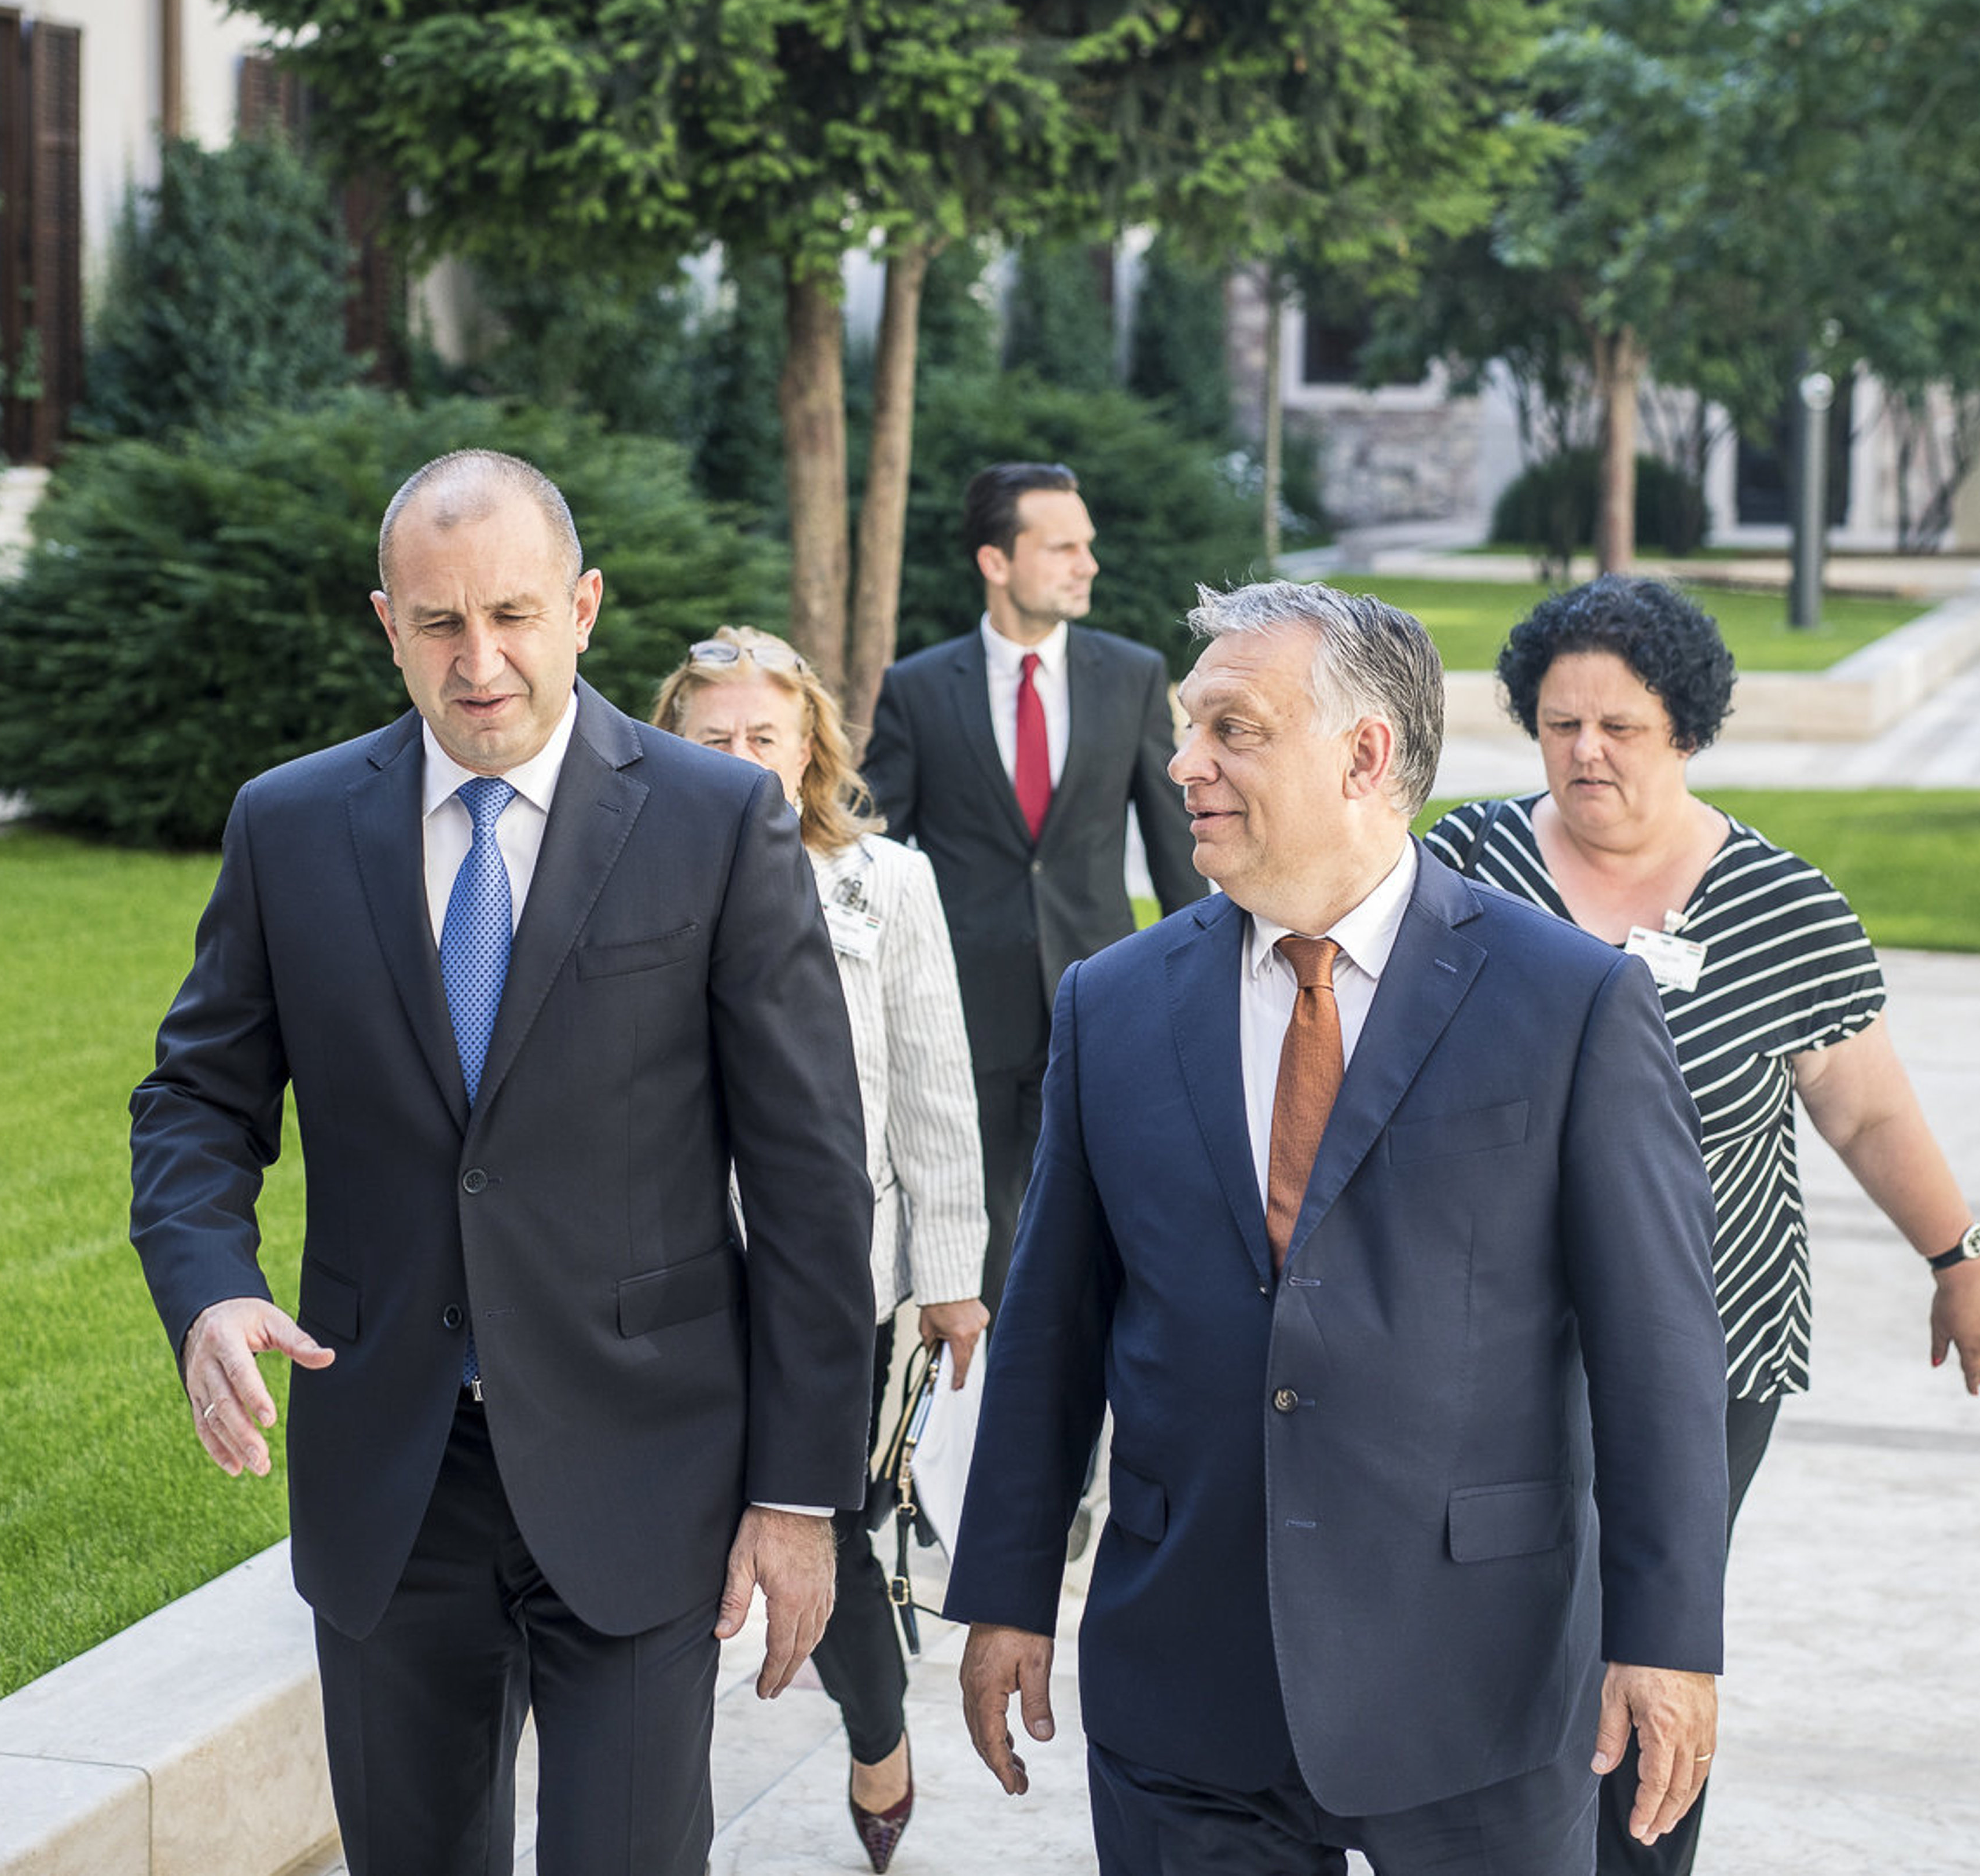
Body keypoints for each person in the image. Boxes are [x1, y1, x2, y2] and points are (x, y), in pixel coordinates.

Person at [126, 450, 877, 1876]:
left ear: (581, 609)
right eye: (439, 623)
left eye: (513, 616)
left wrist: (797, 1494)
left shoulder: (717, 822)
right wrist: (209, 1287)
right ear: (386, 625)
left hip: (645, 1467)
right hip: (390, 1480)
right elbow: (195, 1099)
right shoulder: (289, 826)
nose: (479, 664)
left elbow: (808, 1177)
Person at [947, 580, 1734, 1873]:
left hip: (1479, 1683)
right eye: (1189, 728)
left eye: (1233, 730)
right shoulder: (1112, 1001)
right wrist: (1005, 1592)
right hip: (1186, 1677)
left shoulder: (1570, 1003)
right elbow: (1051, 1333)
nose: (1183, 763)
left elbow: (1657, 1350)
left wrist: (1665, 1640)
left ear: (1365, 754)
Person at [1422, 572, 1980, 1876]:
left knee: (1650, 1623)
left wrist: (1956, 1257)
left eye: (1618, 727)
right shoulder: (1463, 868)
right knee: (1504, 1625)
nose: (1585, 751)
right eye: (1559, 724)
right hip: (1492, 1338)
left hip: (1709, 1346)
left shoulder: (1780, 907)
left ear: (1684, 729)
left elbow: (1865, 1112)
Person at [651, 626, 991, 1873]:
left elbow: (934, 1084)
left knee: (826, 1525)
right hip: (674, 1275)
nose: (742, 759)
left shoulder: (885, 884)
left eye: (765, 736)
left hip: (841, 1280)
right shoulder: (628, 872)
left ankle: (876, 1730)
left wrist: (950, 1280)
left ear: (809, 751)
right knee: (670, 1528)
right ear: (670, 747)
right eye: (714, 739)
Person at [863, 461, 1207, 1309]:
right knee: (979, 1238)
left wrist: (1203, 983)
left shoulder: (1131, 675)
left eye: (1086, 545)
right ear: (996, 560)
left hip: (1099, 1002)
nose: (1088, 564)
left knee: (1106, 1229)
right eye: (1062, 548)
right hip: (962, 1011)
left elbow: (1176, 847)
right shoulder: (917, 688)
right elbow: (872, 852)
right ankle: (981, 1389)